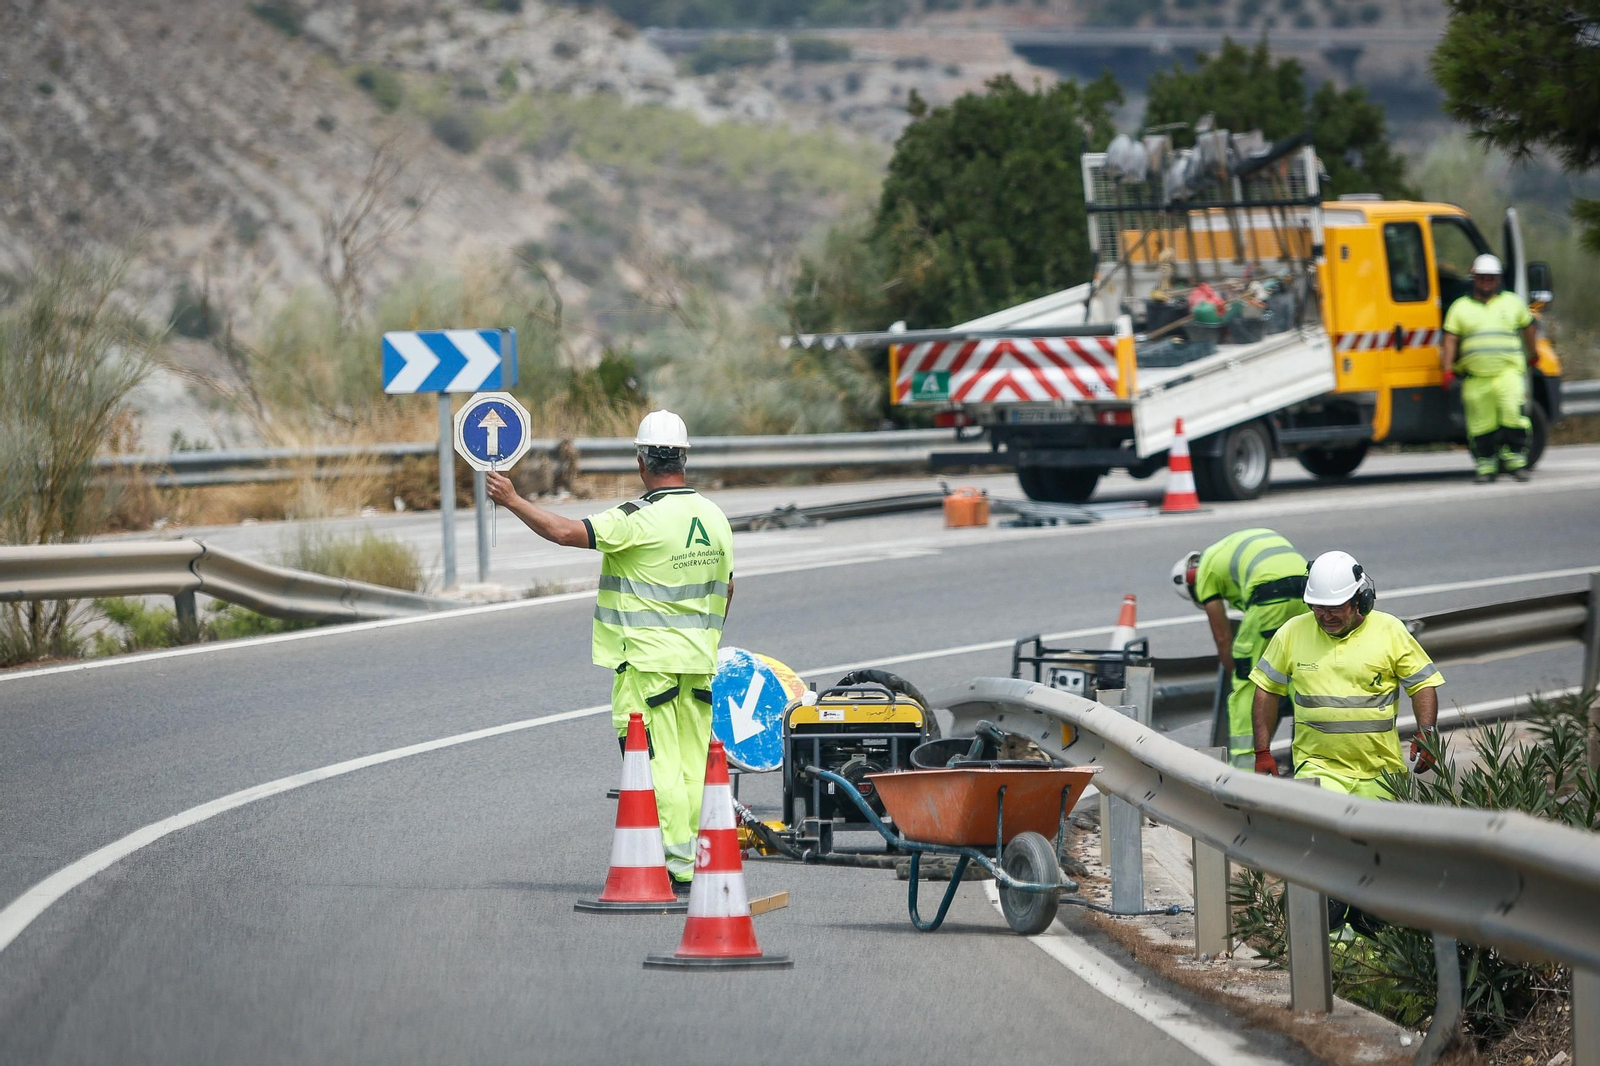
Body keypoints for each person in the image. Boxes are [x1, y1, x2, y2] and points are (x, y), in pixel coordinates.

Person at [486, 410, 734, 889]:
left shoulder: (637, 519)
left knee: (653, 762)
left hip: (647, 665)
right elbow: (727, 589)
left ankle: (678, 864)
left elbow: (564, 532)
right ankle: (700, 856)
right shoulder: (714, 516)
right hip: (698, 664)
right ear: (684, 458)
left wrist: (514, 499)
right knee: (689, 763)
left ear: (641, 460)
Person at [1248, 551, 1443, 798]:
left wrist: (1427, 731)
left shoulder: (1390, 631)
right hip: (1317, 767)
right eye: (1319, 607)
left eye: (1335, 608)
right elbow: (1266, 689)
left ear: (1361, 600)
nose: (1326, 616)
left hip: (1382, 772)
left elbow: (1422, 683)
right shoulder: (1292, 632)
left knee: (1374, 837)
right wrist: (1262, 752)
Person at [1170, 530, 1310, 770]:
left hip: (1269, 599)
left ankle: (1246, 770)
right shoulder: (1227, 548)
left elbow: (1223, 637)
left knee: (1249, 682)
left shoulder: (1205, 573)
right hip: (1306, 592)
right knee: (1303, 674)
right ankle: (1310, 763)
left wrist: (1235, 667)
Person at [1440, 253, 1539, 483]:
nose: (1487, 281)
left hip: (1508, 373)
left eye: (1491, 277)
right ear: (1474, 278)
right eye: (1483, 277)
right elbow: (1450, 340)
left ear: (1498, 280)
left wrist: (1534, 354)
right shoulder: (1460, 308)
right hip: (1476, 378)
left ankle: (1516, 463)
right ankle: (1486, 467)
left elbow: (1528, 328)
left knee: (1513, 415)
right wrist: (1447, 370)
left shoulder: (1512, 303)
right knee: (1480, 425)